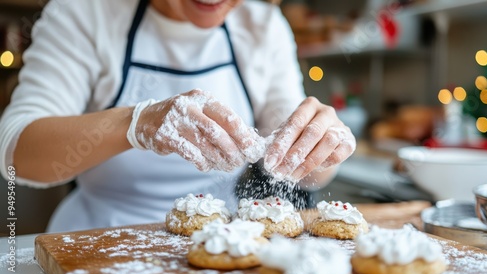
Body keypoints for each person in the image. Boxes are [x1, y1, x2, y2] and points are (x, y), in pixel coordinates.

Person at [0, 0, 355, 232]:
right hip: (96, 238)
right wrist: (137, 124)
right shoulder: (85, 14)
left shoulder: (261, 26)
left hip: (219, 240)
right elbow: (17, 151)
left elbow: (299, 161)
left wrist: (321, 144)